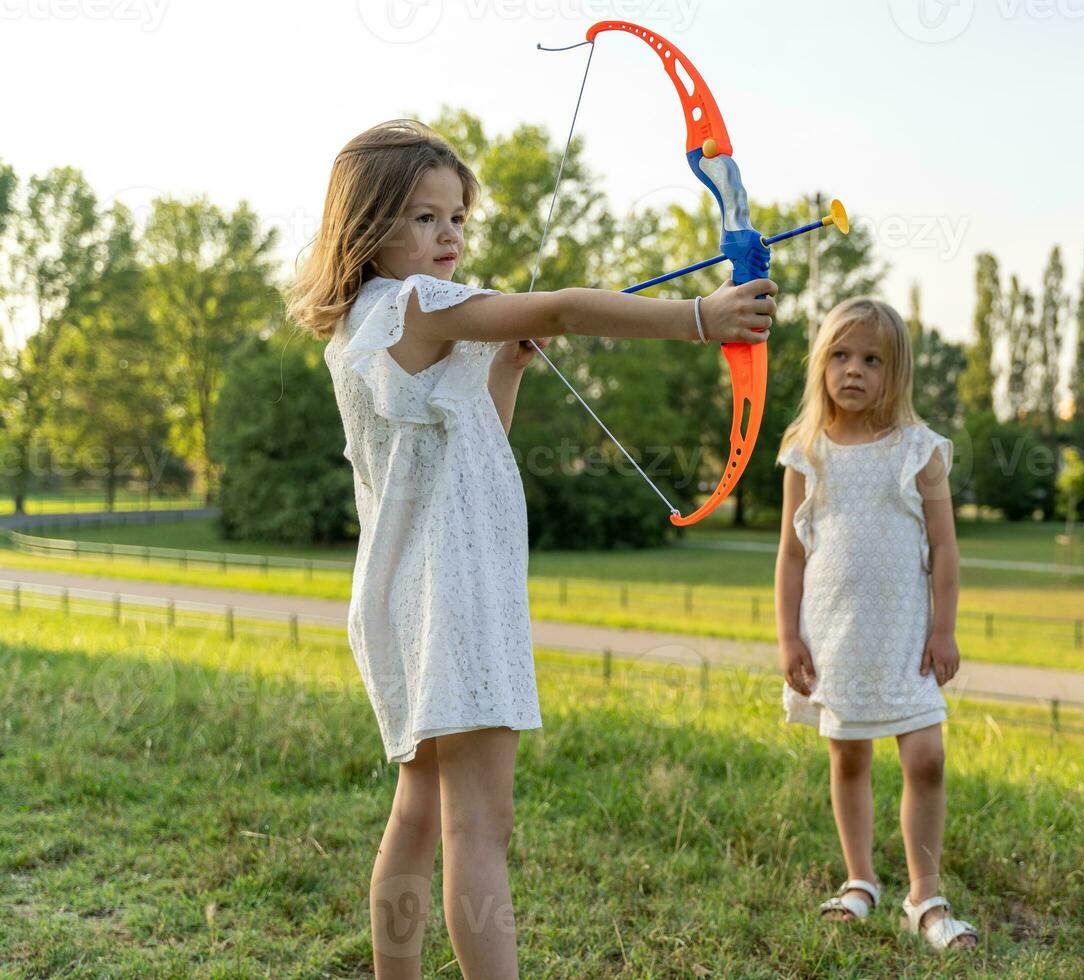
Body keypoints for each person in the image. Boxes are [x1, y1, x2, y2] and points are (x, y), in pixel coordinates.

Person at [287, 118, 778, 979]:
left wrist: (505, 367)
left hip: (406, 593)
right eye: (423, 219)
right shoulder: (417, 304)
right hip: (457, 591)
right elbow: (560, 306)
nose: (449, 236)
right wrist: (703, 317)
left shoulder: (365, 324)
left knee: (421, 810)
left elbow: (472, 446)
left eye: (456, 219)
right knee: (481, 823)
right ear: (367, 228)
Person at [773, 297, 979, 953]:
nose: (853, 371)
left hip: (906, 638)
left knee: (926, 757)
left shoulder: (918, 452)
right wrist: (788, 635)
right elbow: (791, 552)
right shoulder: (806, 453)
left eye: (871, 360)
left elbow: (945, 549)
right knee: (849, 755)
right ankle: (860, 880)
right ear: (820, 365)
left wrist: (944, 629)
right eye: (840, 356)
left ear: (897, 373)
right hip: (834, 634)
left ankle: (926, 896)